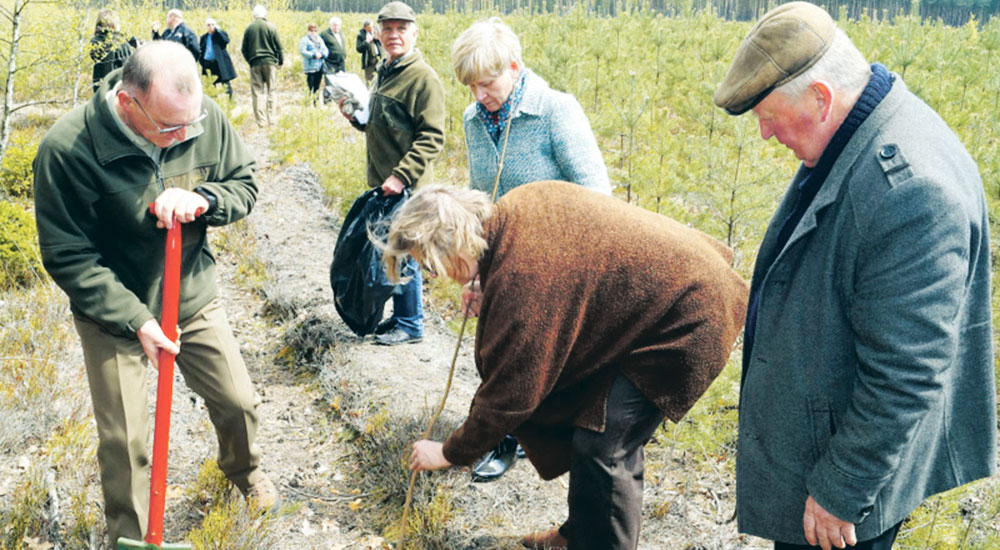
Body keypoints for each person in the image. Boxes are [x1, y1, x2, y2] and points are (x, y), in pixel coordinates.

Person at [712, 3, 996, 550]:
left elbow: (908, 371)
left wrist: (843, 487)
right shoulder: (859, 128)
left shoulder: (910, 191)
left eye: (769, 115)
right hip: (825, 437)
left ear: (821, 97)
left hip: (841, 475)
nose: (766, 134)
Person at [394, 182, 748, 550]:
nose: (434, 274)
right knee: (589, 422)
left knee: (604, 445)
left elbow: (511, 394)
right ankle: (579, 535)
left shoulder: (522, 273)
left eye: (430, 263)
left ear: (452, 244)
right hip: (662, 298)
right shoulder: (513, 212)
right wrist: (485, 277)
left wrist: (451, 453)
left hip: (689, 313)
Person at [32, 40, 278, 546]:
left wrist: (204, 198)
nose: (185, 134)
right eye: (170, 128)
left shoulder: (198, 116)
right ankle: (134, 535)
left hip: (189, 292)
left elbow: (245, 184)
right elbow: (67, 253)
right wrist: (134, 319)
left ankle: (247, 474)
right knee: (125, 441)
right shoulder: (67, 149)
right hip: (114, 312)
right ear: (128, 102)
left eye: (192, 124)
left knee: (237, 401)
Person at [450, 16, 613, 482]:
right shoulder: (472, 119)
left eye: (487, 82)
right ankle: (501, 437)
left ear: (515, 67)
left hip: (558, 262)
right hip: (503, 257)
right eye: (471, 86)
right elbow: (480, 196)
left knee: (545, 357)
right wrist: (475, 274)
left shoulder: (556, 110)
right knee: (497, 351)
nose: (479, 95)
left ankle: (538, 439)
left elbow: (596, 194)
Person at [340, 1, 445, 346]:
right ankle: (401, 317)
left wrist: (401, 176)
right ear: (379, 34)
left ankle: (411, 323)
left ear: (414, 33)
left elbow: (432, 138)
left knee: (406, 251)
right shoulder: (388, 70)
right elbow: (382, 123)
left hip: (408, 186)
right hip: (386, 184)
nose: (394, 35)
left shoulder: (422, 78)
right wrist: (357, 119)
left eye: (401, 29)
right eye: (388, 29)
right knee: (392, 250)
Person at [241, 4, 284, 128]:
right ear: (265, 14)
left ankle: (261, 122)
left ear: (254, 15)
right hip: (270, 63)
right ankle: (272, 120)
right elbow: (279, 47)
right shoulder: (271, 27)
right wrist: (280, 61)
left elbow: (244, 49)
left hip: (255, 63)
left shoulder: (249, 28)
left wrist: (250, 61)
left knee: (257, 93)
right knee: (272, 91)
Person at [90, 9, 138, 92]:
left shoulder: (96, 44)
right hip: (118, 93)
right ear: (114, 24)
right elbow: (129, 72)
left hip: (100, 92)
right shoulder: (121, 45)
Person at [199, 18, 236, 99]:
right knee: (211, 86)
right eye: (208, 25)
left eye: (212, 25)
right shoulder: (204, 37)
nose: (210, 27)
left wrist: (217, 31)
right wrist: (202, 62)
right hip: (208, 64)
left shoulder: (220, 34)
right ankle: (214, 102)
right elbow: (201, 50)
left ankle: (230, 101)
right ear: (206, 26)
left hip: (220, 64)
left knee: (226, 84)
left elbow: (226, 41)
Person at [300, 23, 329, 105]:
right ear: (308, 31)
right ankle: (307, 103)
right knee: (310, 86)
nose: (313, 32)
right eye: (311, 30)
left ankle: (316, 103)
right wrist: (313, 55)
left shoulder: (320, 39)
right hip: (310, 67)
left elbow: (325, 50)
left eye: (315, 30)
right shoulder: (304, 40)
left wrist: (322, 55)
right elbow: (303, 51)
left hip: (319, 66)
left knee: (317, 86)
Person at [355, 19, 382, 83]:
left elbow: (383, 45)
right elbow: (359, 49)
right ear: (365, 27)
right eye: (369, 27)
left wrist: (378, 39)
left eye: (372, 26)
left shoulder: (376, 32)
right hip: (369, 61)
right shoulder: (361, 35)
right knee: (370, 80)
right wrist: (367, 41)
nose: (371, 28)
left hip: (378, 59)